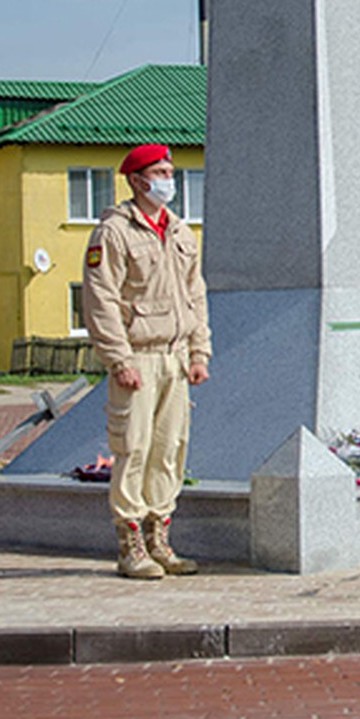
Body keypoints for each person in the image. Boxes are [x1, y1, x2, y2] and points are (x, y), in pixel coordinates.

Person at [82, 143, 212, 579]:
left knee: (170, 450)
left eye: (171, 173)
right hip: (137, 357)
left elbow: (196, 296)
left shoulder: (180, 231)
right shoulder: (114, 232)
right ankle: (131, 544)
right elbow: (100, 300)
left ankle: (160, 539)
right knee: (132, 448)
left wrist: (199, 352)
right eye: (160, 173)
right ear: (137, 180)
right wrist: (119, 359)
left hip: (174, 358)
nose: (168, 182)